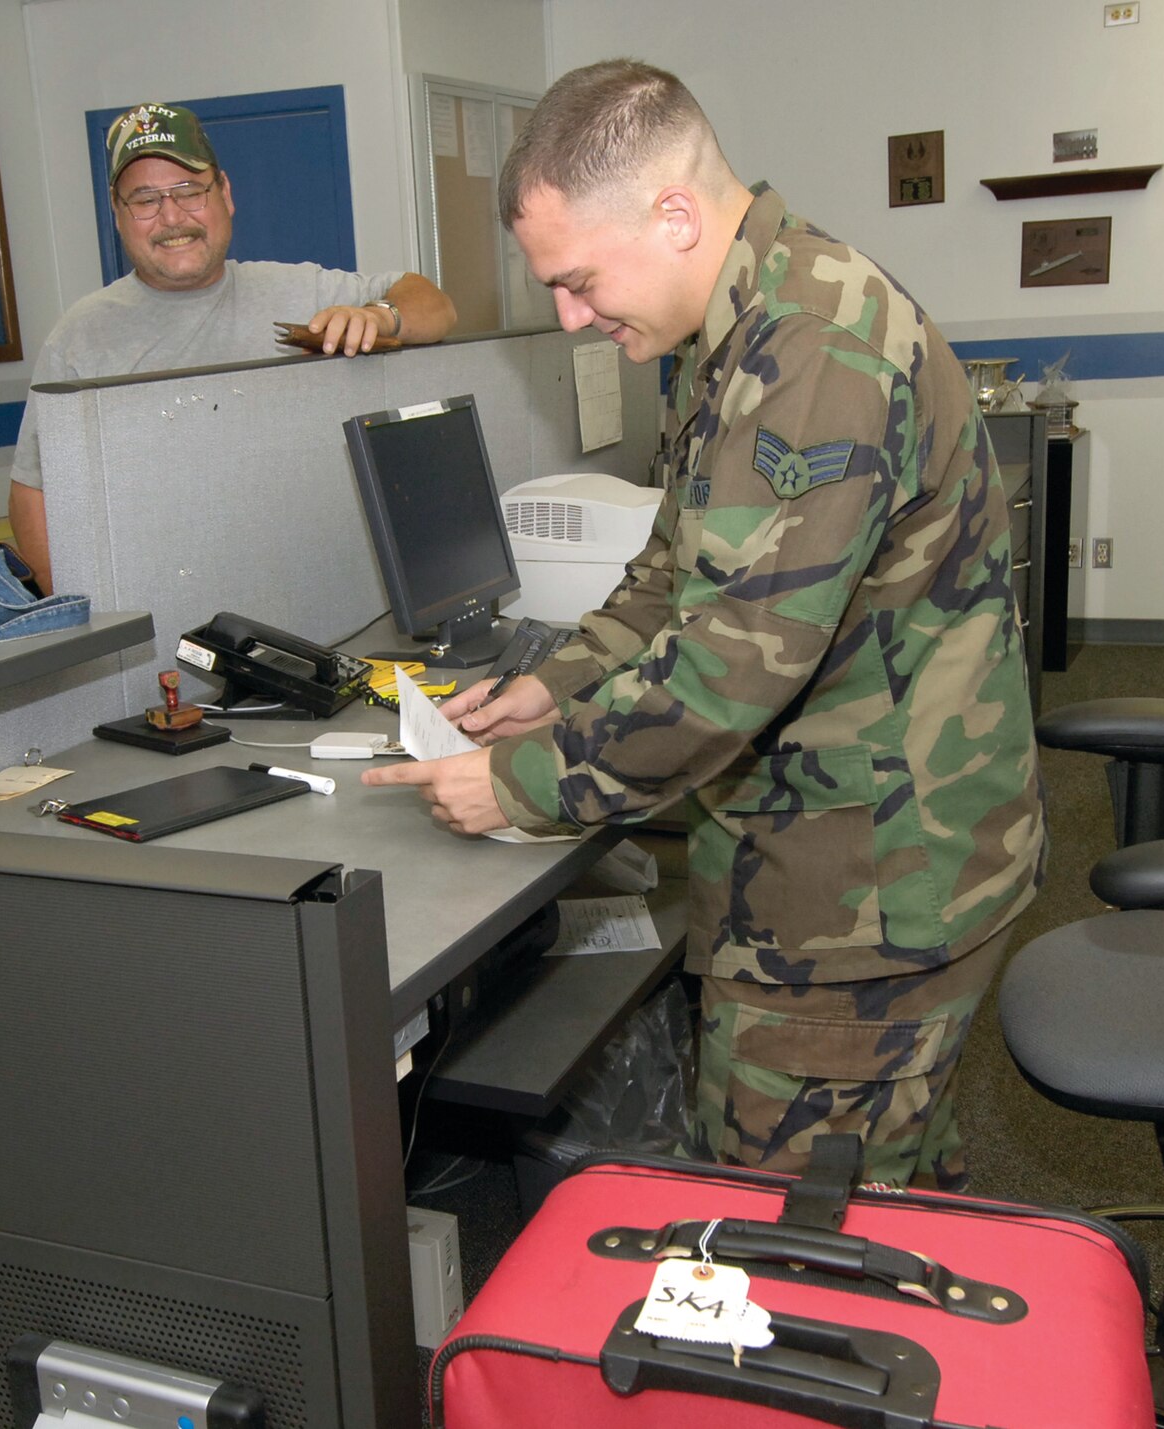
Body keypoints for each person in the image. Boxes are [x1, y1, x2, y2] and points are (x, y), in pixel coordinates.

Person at [363, 60, 1045, 1191]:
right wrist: (555, 685)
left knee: (793, 1241)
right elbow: (677, 565)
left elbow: (726, 668)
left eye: (578, 280)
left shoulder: (809, 353)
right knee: (887, 1195)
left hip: (869, 888)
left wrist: (519, 783)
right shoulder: (733, 328)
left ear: (673, 214)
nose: (571, 315)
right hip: (834, 854)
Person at [8, 101, 457, 593]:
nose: (171, 216)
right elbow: (35, 490)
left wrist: (378, 316)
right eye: (145, 199)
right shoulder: (80, 337)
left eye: (189, 191)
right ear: (118, 214)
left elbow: (434, 305)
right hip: (160, 604)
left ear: (224, 193)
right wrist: (82, 616)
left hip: (311, 589)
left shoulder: (301, 291)